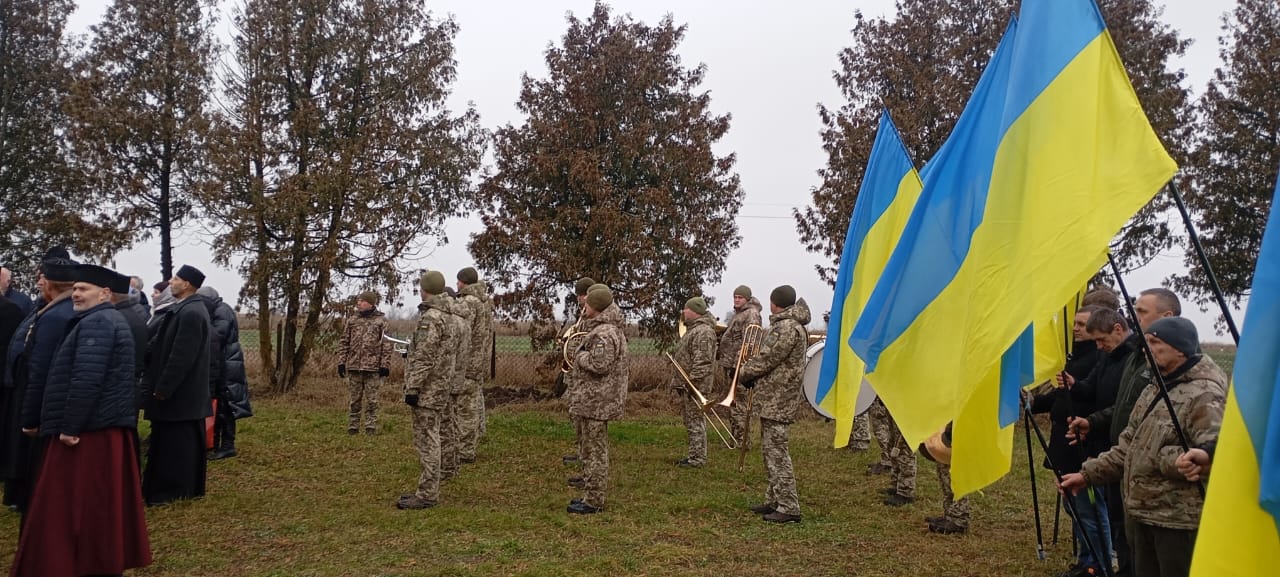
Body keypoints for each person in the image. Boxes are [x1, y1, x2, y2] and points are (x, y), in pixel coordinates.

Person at [9, 264, 152, 577]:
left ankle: (72, 562)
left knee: (75, 505)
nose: (76, 294)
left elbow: (87, 379)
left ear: (104, 294)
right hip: (96, 426)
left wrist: (70, 427)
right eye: (74, 288)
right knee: (94, 504)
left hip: (89, 432)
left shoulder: (98, 323)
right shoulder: (99, 319)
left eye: (84, 289)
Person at [1061, 316, 1226, 577]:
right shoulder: (1154, 388)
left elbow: (1217, 452)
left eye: (1155, 343)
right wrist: (1086, 475)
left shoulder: (1204, 394)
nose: (1147, 349)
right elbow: (1129, 445)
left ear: (1180, 349)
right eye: (1146, 342)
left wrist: (1179, 458)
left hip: (1176, 522)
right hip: (1141, 513)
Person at [1068, 287, 1183, 577]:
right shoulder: (1138, 356)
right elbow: (1126, 408)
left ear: (1167, 316)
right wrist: (1093, 422)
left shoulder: (1175, 370)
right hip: (1124, 459)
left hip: (1159, 488)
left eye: (1141, 311)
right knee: (1124, 530)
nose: (1133, 315)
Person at [1030, 305, 1111, 576]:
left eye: (1082, 324)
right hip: (1063, 442)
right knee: (1072, 505)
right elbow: (1060, 395)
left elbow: (1095, 396)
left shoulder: (1100, 358)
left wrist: (1076, 386)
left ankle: (1097, 564)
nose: (1076, 328)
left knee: (1089, 508)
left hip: (1083, 443)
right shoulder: (1072, 355)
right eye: (1074, 323)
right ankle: (1085, 559)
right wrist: (1035, 402)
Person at [3, 256, 77, 513]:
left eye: (41, 278)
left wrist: (31, 413)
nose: (38, 283)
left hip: (42, 394)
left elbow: (42, 363)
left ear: (50, 284)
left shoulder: (56, 316)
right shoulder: (49, 309)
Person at [140, 265, 212, 506]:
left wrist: (164, 387)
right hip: (182, 395)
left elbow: (182, 356)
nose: (171, 281)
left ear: (188, 284)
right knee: (175, 443)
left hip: (181, 395)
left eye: (176, 279)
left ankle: (172, 490)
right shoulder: (184, 308)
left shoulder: (191, 312)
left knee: (178, 446)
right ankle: (176, 487)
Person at [737, 285, 810, 524]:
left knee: (777, 452)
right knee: (770, 451)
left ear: (775, 303)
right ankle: (775, 499)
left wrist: (745, 372)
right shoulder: (791, 325)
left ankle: (789, 506)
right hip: (775, 396)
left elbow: (769, 358)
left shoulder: (786, 327)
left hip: (779, 398)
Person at [564, 285, 628, 514]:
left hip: (597, 402)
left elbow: (599, 365)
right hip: (594, 401)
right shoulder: (604, 329)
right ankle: (589, 494)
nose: (584, 306)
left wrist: (579, 355)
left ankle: (594, 501)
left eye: (588, 303)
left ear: (596, 307)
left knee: (595, 452)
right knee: (591, 450)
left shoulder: (604, 333)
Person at [399, 271, 457, 510]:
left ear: (425, 289)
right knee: (433, 436)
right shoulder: (448, 315)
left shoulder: (431, 318)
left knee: (427, 440)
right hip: (440, 385)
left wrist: (412, 387)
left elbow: (424, 357)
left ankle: (427, 494)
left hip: (428, 389)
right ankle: (427, 488)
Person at [199, 286, 249, 460]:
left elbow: (217, 336)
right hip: (226, 363)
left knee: (226, 406)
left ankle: (227, 445)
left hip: (227, 365)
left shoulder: (222, 312)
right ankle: (215, 442)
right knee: (220, 404)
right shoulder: (221, 309)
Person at [671, 296, 717, 467]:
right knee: (691, 421)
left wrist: (693, 383)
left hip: (696, 386)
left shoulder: (703, 332)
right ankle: (694, 454)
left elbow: (703, 361)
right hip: (689, 384)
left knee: (695, 421)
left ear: (695, 311)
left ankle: (697, 458)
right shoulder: (694, 330)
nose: (683, 311)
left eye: (686, 309)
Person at [338, 291, 391, 435]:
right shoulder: (352, 320)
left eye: (362, 301)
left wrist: (384, 365)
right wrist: (342, 362)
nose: (359, 303)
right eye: (358, 301)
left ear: (371, 303)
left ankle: (370, 426)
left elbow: (387, 345)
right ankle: (353, 426)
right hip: (354, 366)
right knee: (354, 400)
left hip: (373, 368)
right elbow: (344, 342)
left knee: (372, 400)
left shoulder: (381, 321)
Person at [456, 267, 494, 463]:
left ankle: (464, 450)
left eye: (458, 281)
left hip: (466, 362)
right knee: (473, 403)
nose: (456, 285)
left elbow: (461, 331)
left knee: (465, 408)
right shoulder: (484, 302)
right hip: (478, 360)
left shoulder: (469, 302)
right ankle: (472, 440)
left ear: (463, 282)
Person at [717, 285, 762, 444]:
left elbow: (749, 343)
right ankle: (735, 437)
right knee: (733, 404)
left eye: (740, 297)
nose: (736, 300)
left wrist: (738, 366)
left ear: (747, 299)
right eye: (735, 297)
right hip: (731, 365)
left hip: (740, 368)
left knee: (740, 405)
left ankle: (742, 440)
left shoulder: (751, 315)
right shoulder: (740, 314)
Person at [561, 276, 594, 468]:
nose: (579, 298)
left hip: (583, 368)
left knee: (582, 415)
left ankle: (585, 454)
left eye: (581, 295)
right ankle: (581, 451)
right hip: (576, 369)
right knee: (576, 414)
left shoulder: (592, 314)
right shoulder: (584, 312)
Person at [441, 286, 472, 480]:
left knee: (445, 424)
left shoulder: (450, 322)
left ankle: (446, 465)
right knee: (452, 421)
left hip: (447, 378)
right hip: (458, 377)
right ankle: (453, 461)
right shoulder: (464, 321)